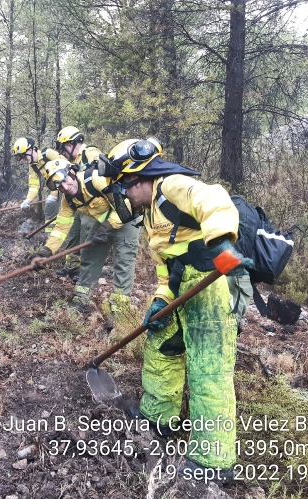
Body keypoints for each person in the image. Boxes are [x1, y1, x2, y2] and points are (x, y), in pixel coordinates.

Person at [100, 138, 254, 480]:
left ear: (139, 177)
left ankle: (214, 461)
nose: (124, 196)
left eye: (124, 187)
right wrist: (161, 300)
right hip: (183, 285)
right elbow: (166, 267)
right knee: (162, 348)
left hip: (213, 284)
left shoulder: (171, 185)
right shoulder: (151, 212)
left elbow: (212, 197)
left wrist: (222, 244)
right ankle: (158, 416)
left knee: (208, 369)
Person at [33, 157, 141, 324]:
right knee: (90, 254)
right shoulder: (67, 200)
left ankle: (118, 310)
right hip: (104, 221)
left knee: (124, 260)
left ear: (71, 172)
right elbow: (61, 227)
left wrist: (107, 228)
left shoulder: (95, 179)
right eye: (58, 186)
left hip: (126, 217)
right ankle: (82, 299)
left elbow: (124, 204)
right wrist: (47, 251)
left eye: (64, 180)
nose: (64, 187)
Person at [51, 126, 103, 279]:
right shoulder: (72, 160)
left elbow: (99, 166)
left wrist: (84, 168)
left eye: (64, 148)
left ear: (70, 144)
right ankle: (72, 266)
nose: (63, 153)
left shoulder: (89, 152)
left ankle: (83, 271)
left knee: (86, 233)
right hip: (78, 203)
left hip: (93, 203)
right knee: (73, 232)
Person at [12, 137, 64, 235]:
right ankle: (50, 236)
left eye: (24, 156)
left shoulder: (48, 154)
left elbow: (65, 165)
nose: (24, 160)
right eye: (22, 158)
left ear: (30, 150)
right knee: (49, 209)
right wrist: (28, 200)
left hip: (68, 183)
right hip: (55, 187)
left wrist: (56, 193)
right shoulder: (33, 166)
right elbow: (34, 186)